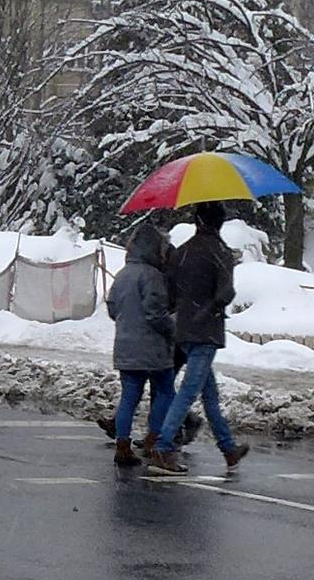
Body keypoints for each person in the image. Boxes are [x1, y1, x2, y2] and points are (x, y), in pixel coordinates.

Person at [147, 202, 248, 472]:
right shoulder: (221, 253)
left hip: (183, 329)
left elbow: (170, 295)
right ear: (220, 223)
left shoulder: (181, 253)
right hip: (207, 330)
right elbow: (225, 293)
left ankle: (228, 449)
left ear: (196, 221)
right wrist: (212, 305)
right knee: (190, 391)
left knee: (209, 394)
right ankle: (164, 446)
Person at [101, 220, 177, 468]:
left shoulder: (122, 275)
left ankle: (122, 445)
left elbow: (112, 307)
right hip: (153, 348)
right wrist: (173, 329)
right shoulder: (152, 276)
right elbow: (155, 313)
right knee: (165, 391)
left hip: (125, 346)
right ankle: (153, 439)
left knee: (129, 396)